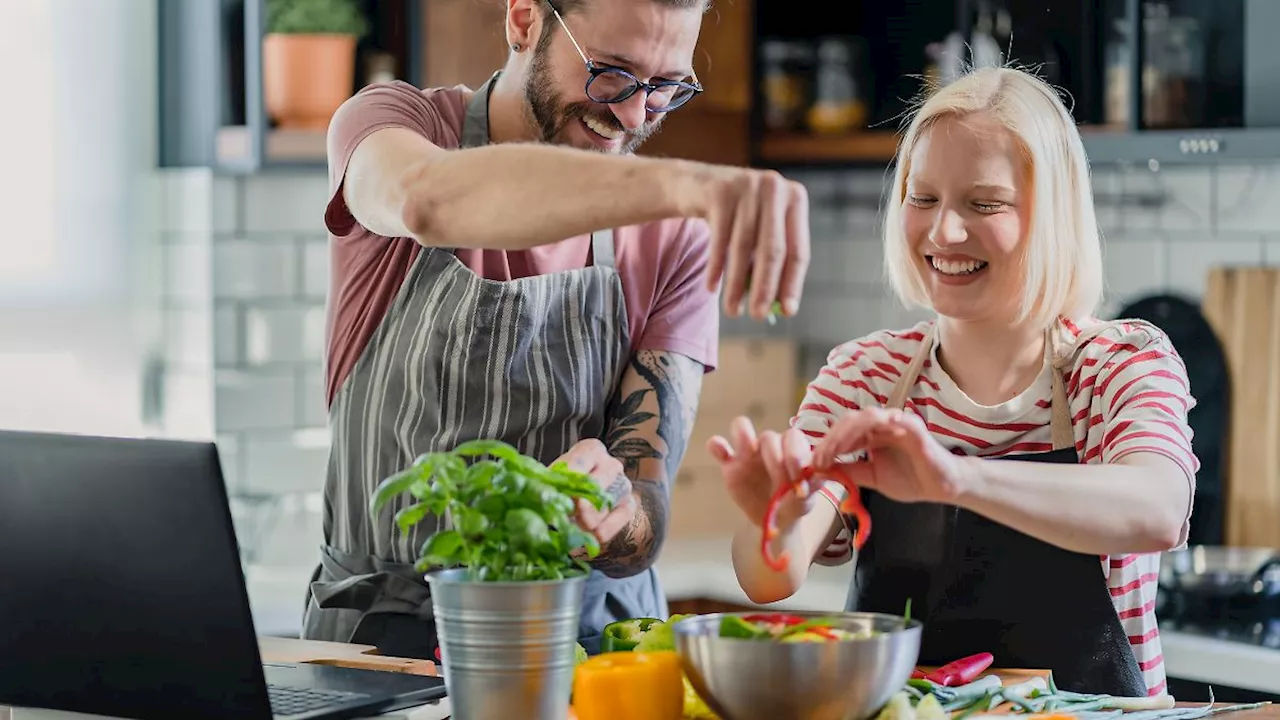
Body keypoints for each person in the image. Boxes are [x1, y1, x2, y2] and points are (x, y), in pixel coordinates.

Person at [298, 0, 811, 659]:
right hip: (378, 650)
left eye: (665, 88)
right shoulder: (398, 125)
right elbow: (425, 199)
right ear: (523, 20)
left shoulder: (676, 235)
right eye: (610, 72)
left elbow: (645, 521)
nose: (631, 115)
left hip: (590, 649)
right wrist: (691, 186)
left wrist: (613, 514)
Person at [711, 66, 1197, 697]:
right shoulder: (867, 376)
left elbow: (1158, 508)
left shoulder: (1117, 365)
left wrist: (959, 479)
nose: (944, 232)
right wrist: (772, 517)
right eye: (923, 198)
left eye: (984, 202)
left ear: (1053, 216)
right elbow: (767, 579)